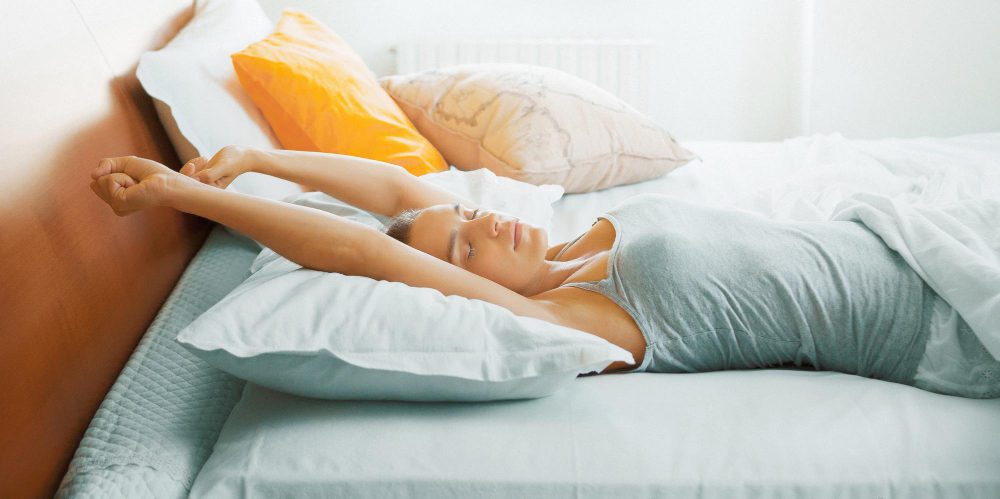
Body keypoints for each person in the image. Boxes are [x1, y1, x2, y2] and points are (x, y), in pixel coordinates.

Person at [90, 146, 1000, 398]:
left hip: (907, 237)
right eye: (463, 250)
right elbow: (365, 250)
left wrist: (260, 157)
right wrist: (185, 196)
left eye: (468, 220)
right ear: (461, 285)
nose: (482, 222)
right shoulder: (579, 321)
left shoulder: (563, 240)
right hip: (940, 321)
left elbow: (397, 191)